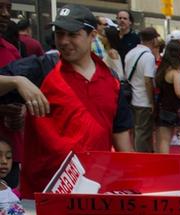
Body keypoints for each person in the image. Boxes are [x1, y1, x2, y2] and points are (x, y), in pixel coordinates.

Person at [0, 4, 132, 195]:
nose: (63, 41)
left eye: (72, 34)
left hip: (93, 190)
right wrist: (17, 81)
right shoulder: (42, 67)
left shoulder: (111, 80)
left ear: (92, 35)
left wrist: (130, 181)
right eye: (59, 34)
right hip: (44, 190)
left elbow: (122, 139)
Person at [154, 40, 180, 155]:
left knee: (164, 140)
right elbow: (178, 92)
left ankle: (163, 164)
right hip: (178, 107)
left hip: (163, 106)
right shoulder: (175, 72)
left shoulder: (161, 70)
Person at [124, 27, 157, 153]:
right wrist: (151, 101)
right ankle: (141, 157)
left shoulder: (130, 53)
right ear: (153, 40)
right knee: (143, 132)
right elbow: (148, 80)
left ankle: (137, 154)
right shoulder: (148, 56)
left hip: (131, 97)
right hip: (143, 100)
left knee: (135, 131)